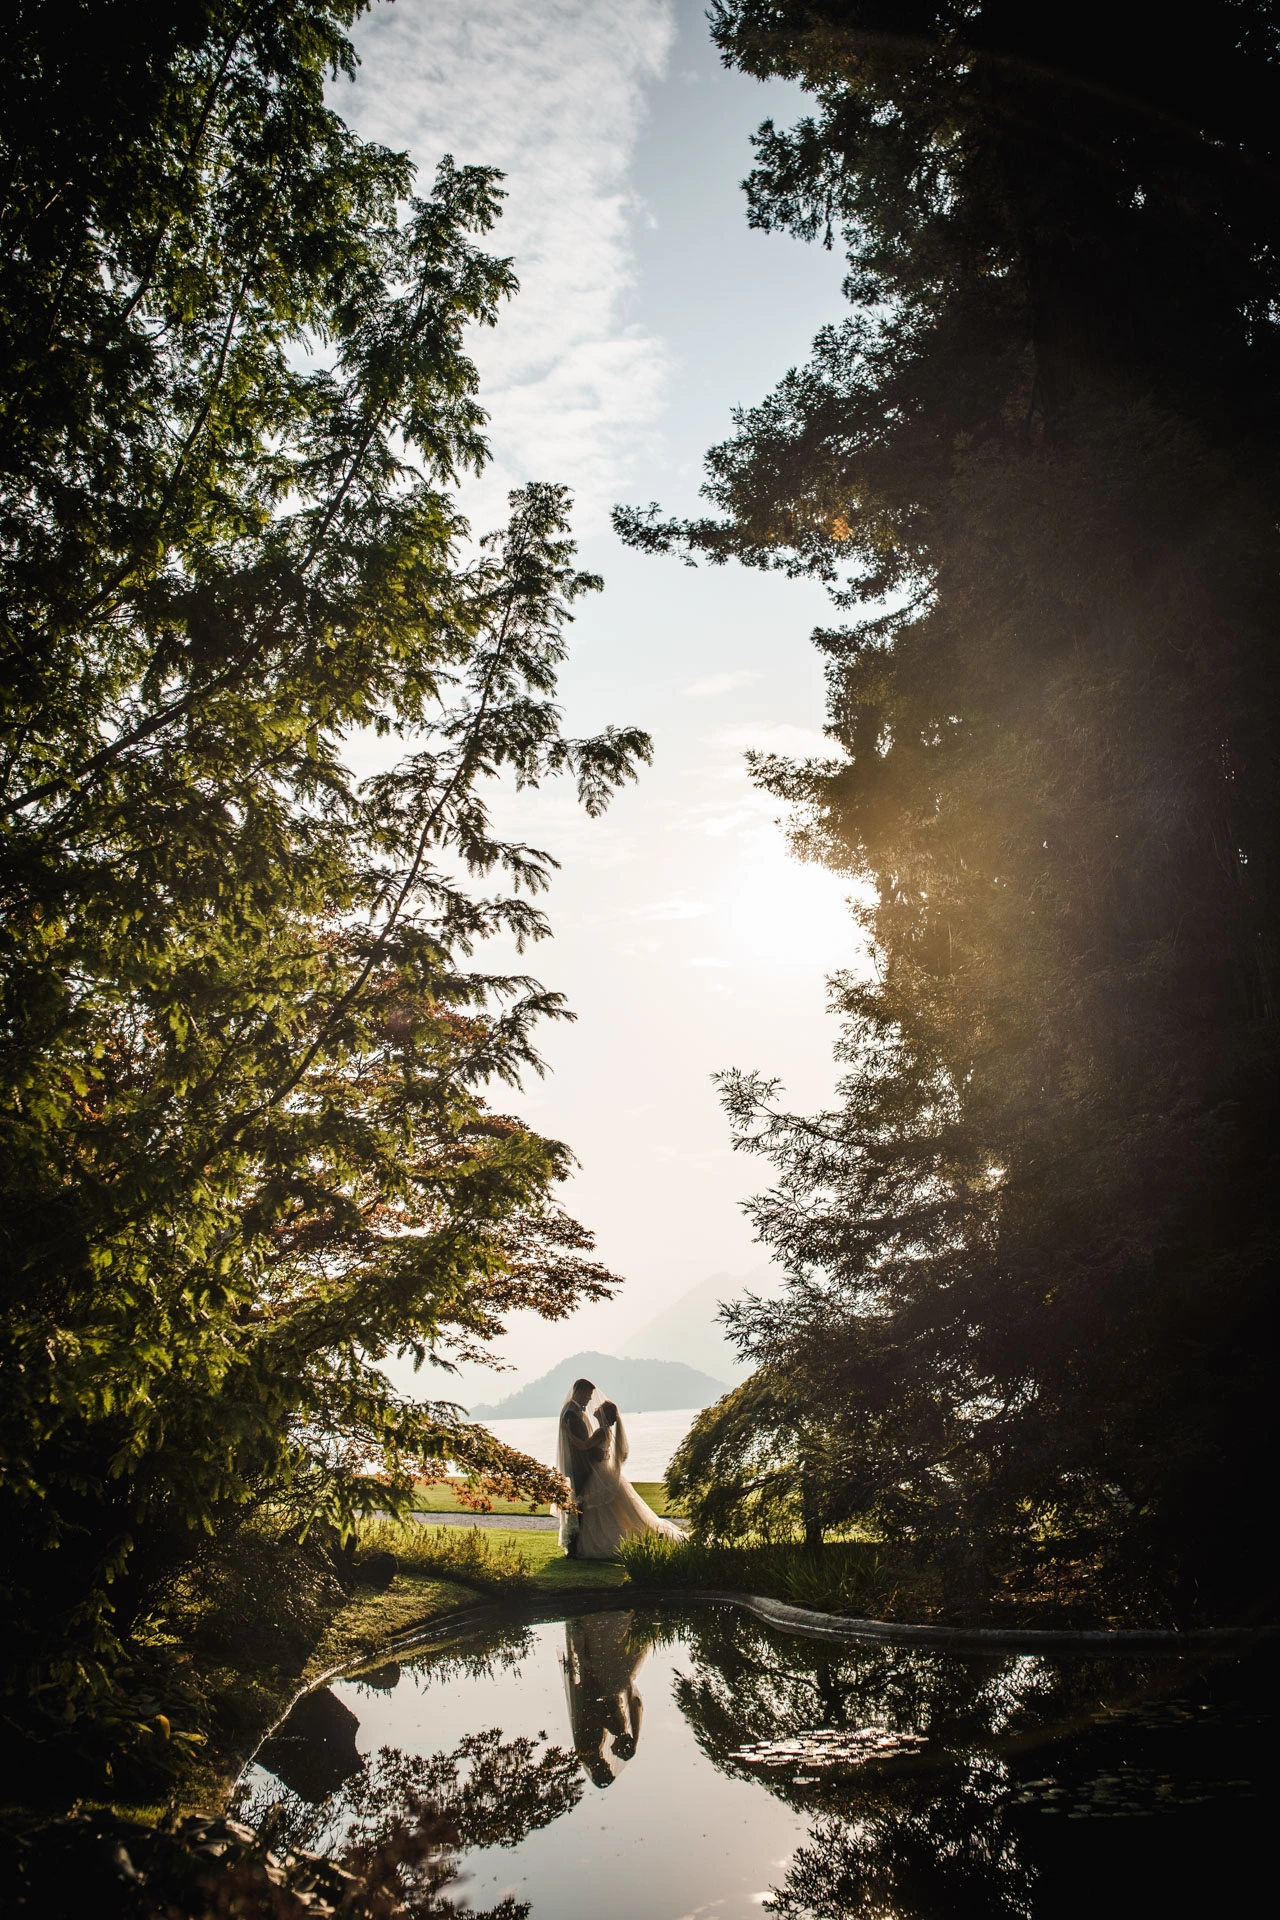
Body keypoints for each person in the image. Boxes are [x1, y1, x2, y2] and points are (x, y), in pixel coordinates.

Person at [574, 1399, 686, 1559]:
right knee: (612, 1510)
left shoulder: (601, 1432)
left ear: (604, 1414)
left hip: (600, 1473)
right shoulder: (606, 1431)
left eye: (599, 1408)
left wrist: (568, 1434)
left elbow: (583, 1446)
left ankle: (601, 1541)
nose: (596, 1408)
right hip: (604, 1471)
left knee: (599, 1509)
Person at [555, 1376, 599, 1556]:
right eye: (588, 1395)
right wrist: (597, 1452)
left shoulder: (574, 1411)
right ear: (580, 1392)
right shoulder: (571, 1413)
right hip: (579, 1466)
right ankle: (575, 1545)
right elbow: (580, 1444)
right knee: (580, 1505)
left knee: (582, 1504)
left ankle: (579, 1544)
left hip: (581, 1465)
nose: (589, 1399)